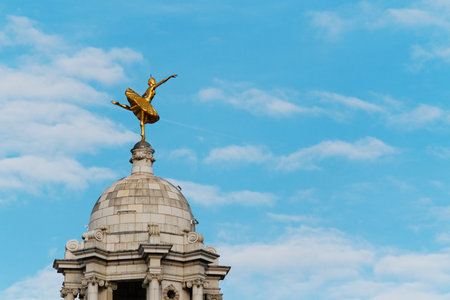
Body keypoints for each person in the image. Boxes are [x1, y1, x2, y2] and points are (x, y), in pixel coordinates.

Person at [112, 74, 177, 141]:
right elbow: (162, 82)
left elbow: (144, 95)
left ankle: (118, 104)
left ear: (150, 82)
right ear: (153, 82)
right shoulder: (151, 88)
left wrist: (169, 77)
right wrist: (169, 77)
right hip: (145, 102)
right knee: (138, 116)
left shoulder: (149, 88)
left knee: (132, 110)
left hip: (144, 101)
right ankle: (143, 134)